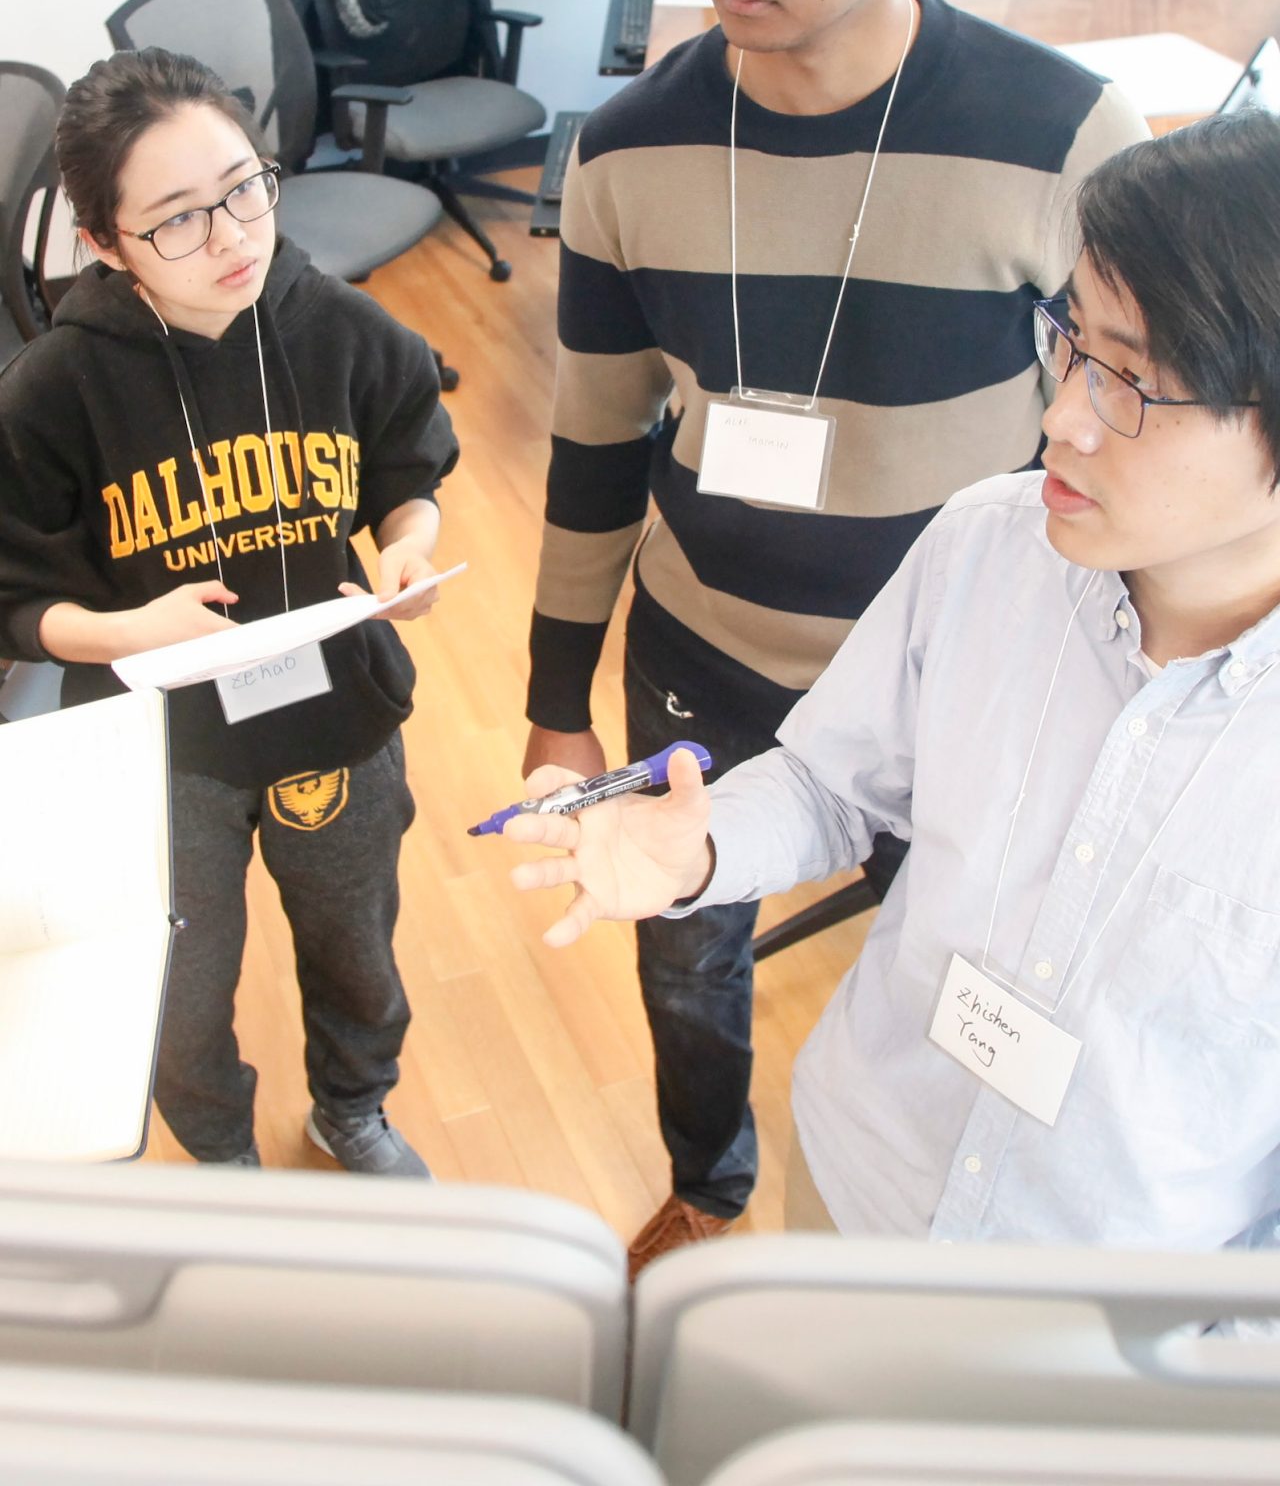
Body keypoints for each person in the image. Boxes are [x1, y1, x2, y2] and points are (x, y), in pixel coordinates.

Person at [522, 0, 1148, 1271]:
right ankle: (712, 1186)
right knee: (688, 955)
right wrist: (548, 693)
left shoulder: (1065, 135)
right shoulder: (625, 149)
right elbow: (595, 436)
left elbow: (1145, 422)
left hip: (978, 668)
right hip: (706, 653)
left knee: (979, 965)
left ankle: (923, 1236)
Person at [509, 110, 1280, 1263]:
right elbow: (832, 783)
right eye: (1069, 344)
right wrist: (701, 850)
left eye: (1133, 384)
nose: (1060, 417)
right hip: (859, 1169)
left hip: (1112, 1314)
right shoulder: (986, 546)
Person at [0, 47, 458, 1173]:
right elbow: (15, 596)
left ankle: (352, 1107)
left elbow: (410, 470)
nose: (232, 239)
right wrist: (119, 633)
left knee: (356, 948)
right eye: (176, 222)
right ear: (102, 242)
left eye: (243, 188)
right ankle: (220, 1155)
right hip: (166, 754)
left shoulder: (341, 328)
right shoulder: (57, 387)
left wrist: (408, 550)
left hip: (334, 726)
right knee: (182, 991)